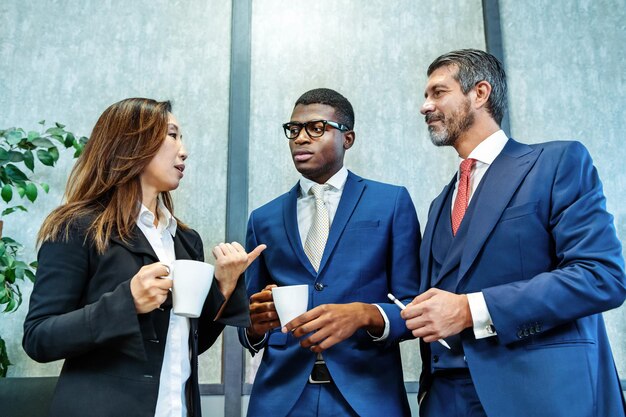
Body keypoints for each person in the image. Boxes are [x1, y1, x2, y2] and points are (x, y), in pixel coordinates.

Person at [401, 49, 626, 417]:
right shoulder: (440, 202)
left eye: (438, 92)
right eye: (426, 96)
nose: (425, 106)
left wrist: (470, 309)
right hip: (446, 399)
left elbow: (601, 277)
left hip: (538, 396)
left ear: (480, 93)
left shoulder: (557, 162)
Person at [23, 98, 265, 417]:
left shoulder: (185, 240)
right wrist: (128, 301)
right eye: (173, 135)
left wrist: (224, 285)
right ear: (131, 143)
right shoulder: (77, 227)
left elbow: (186, 345)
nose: (184, 150)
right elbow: (39, 337)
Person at [238, 88, 421, 417]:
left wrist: (365, 314)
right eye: (293, 130)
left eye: (316, 128)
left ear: (347, 138)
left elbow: (412, 305)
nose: (301, 138)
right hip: (281, 400)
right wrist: (253, 326)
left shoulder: (391, 202)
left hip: (368, 398)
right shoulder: (262, 218)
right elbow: (250, 319)